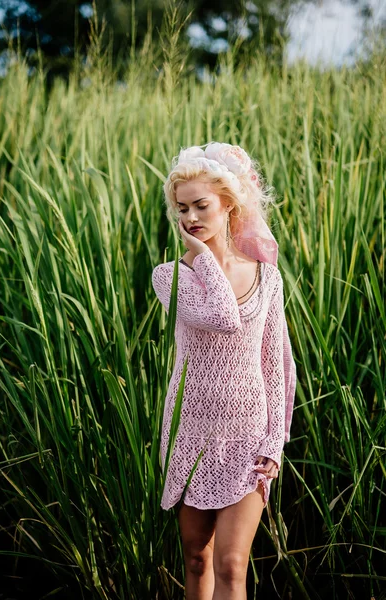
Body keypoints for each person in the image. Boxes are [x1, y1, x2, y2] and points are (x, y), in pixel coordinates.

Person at [151, 142, 297, 600]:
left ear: (229, 204)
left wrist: (275, 440)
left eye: (201, 205)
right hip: (190, 434)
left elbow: (276, 363)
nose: (190, 217)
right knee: (196, 558)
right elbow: (221, 316)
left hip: (247, 437)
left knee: (231, 563)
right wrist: (201, 255)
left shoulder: (266, 277)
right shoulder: (170, 277)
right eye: (182, 209)